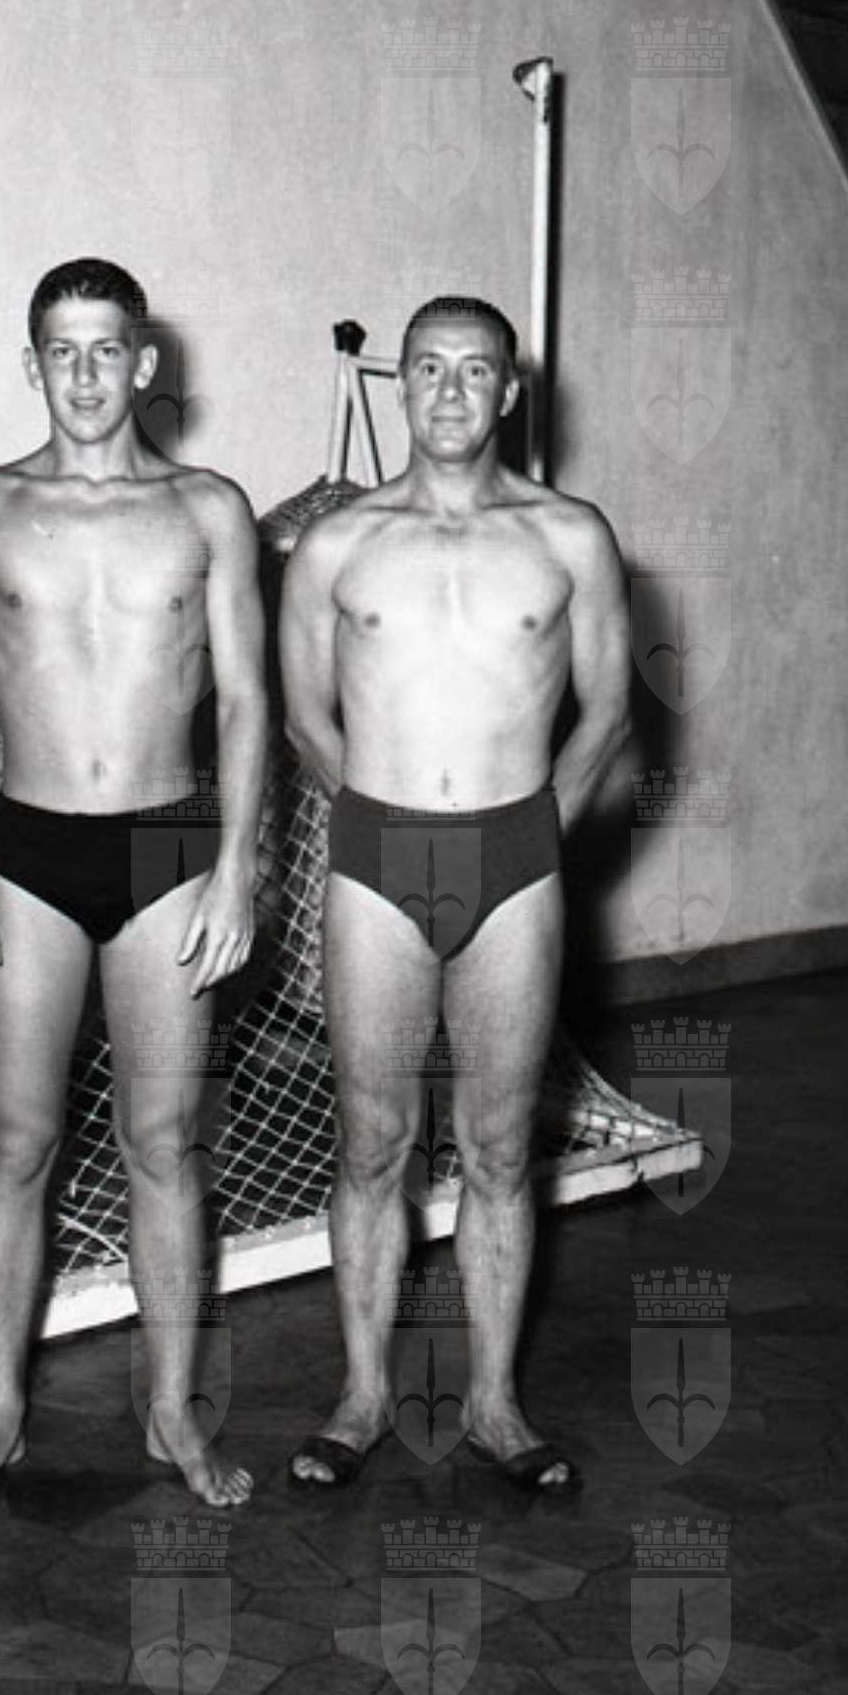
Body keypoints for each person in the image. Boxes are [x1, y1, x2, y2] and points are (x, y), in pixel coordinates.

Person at [0, 258, 266, 1510]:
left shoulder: (208, 507)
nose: (83, 373)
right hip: (27, 851)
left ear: (144, 360)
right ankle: (0, 1414)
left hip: (169, 850)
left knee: (161, 1142)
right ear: (31, 364)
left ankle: (171, 1412)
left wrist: (237, 864)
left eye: (105, 348)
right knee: (16, 1142)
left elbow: (249, 700)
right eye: (59, 350)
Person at [280, 294, 632, 1495]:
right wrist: (374, 820)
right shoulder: (336, 543)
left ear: (509, 391)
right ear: (399, 383)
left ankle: (492, 1401)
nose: (446, 391)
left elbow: (609, 710)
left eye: (473, 371)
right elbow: (302, 711)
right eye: (426, 368)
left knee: (495, 1145)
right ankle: (360, 1393)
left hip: (514, 861)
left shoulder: (567, 535)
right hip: (377, 861)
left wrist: (530, 837)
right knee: (371, 1141)